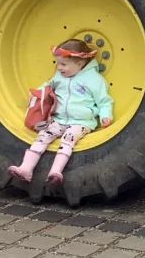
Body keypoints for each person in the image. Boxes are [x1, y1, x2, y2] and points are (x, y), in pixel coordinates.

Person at [8, 39, 113, 185]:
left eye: (63, 64)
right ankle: (26, 168)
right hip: (59, 119)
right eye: (58, 63)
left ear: (80, 63)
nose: (59, 68)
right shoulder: (59, 77)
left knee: (68, 138)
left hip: (81, 122)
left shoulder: (94, 80)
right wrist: (37, 94)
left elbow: (104, 101)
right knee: (43, 135)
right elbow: (47, 86)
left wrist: (105, 116)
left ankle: (56, 171)